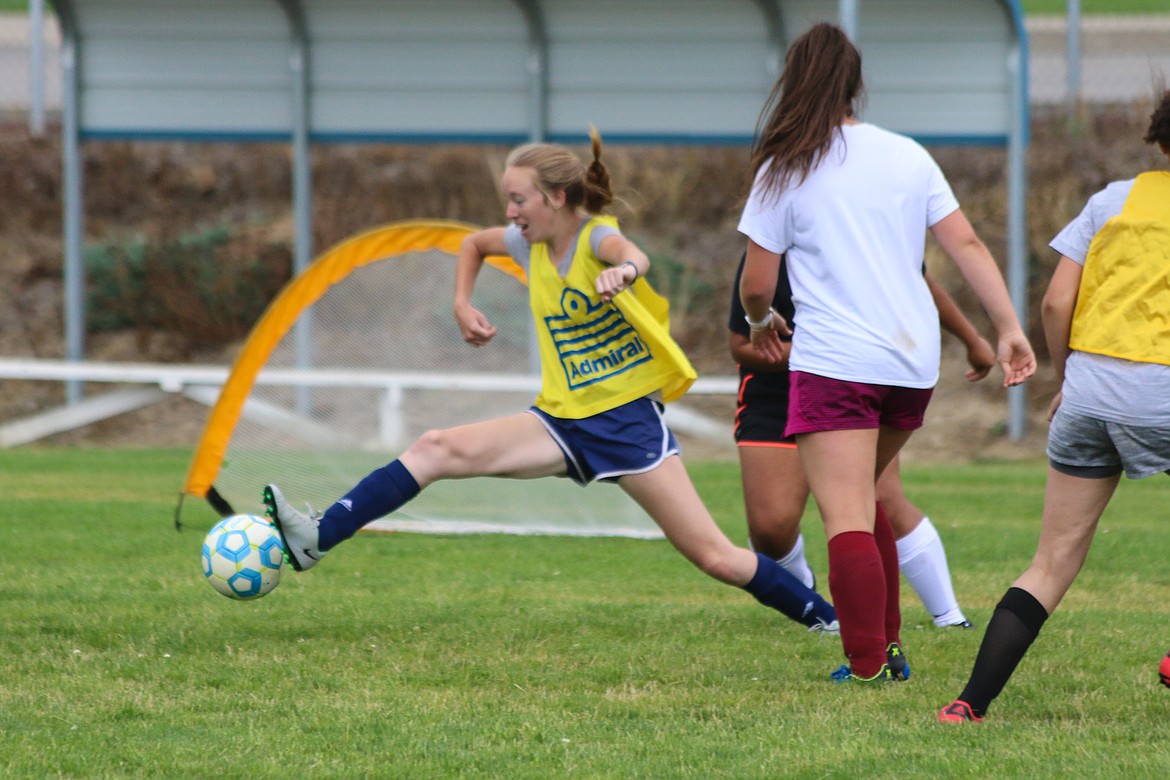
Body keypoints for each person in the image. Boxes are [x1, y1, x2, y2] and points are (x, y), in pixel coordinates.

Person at [262, 128, 840, 634]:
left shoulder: (592, 240)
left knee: (716, 556)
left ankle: (829, 619)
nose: (511, 213)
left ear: (557, 198)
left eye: (519, 200)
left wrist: (626, 270)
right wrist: (462, 303)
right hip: (560, 421)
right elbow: (470, 243)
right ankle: (319, 537)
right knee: (435, 447)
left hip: (625, 426)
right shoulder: (527, 243)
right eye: (507, 201)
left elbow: (631, 252)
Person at [737, 23, 1036, 683]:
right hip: (911, 362)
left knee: (843, 510)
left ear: (792, 81)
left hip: (837, 360)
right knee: (866, 496)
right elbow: (967, 248)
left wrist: (761, 320)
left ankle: (867, 662)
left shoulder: (783, 166)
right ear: (855, 86)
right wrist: (1008, 326)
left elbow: (757, 284)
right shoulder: (907, 155)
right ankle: (889, 646)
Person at [938, 90, 1170, 723]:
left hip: (1091, 393)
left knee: (1051, 560)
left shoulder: (1110, 202)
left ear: (1158, 137)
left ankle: (969, 703)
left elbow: (1053, 304)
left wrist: (1070, 374)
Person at [728, 251, 995, 630]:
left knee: (880, 499)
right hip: (777, 395)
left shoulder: (871, 230)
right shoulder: (773, 245)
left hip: (852, 387)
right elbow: (741, 344)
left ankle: (949, 616)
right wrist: (820, 356)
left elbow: (923, 282)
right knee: (771, 528)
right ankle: (811, 601)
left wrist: (972, 338)